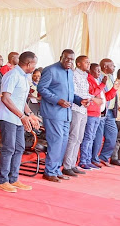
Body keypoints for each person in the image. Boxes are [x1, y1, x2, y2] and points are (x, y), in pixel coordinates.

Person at [37, 49, 88, 182]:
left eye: (71, 59)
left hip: (66, 113)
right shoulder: (50, 70)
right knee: (56, 141)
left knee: (63, 142)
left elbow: (69, 93)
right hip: (53, 112)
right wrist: (57, 100)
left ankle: (56, 170)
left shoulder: (70, 72)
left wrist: (79, 100)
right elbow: (41, 88)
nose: (69, 62)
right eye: (66, 59)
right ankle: (49, 171)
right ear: (61, 57)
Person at [0, 51, 40, 193]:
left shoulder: (24, 76)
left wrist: (30, 114)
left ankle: (14, 178)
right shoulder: (12, 75)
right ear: (28, 63)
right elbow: (5, 98)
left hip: (19, 118)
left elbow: (20, 100)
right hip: (8, 117)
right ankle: (3, 180)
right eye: (34, 64)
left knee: (19, 147)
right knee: (9, 148)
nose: (35, 67)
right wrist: (22, 116)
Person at [79, 63, 119, 169]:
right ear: (91, 71)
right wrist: (103, 84)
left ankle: (88, 160)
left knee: (92, 138)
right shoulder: (89, 79)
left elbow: (105, 97)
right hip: (91, 112)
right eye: (97, 71)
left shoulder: (97, 81)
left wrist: (114, 89)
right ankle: (83, 161)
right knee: (88, 137)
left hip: (99, 113)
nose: (99, 73)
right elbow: (92, 93)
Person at [62, 55, 97, 176]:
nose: (88, 64)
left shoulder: (85, 76)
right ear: (78, 64)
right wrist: (86, 99)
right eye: (86, 62)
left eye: (89, 62)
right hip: (76, 108)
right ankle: (67, 166)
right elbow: (73, 92)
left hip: (83, 110)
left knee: (79, 138)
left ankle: (73, 164)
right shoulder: (73, 74)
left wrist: (92, 98)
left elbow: (85, 92)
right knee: (73, 137)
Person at [93, 59, 120, 166]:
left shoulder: (111, 77)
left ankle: (104, 157)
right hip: (101, 111)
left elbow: (109, 95)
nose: (114, 67)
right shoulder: (99, 77)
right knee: (98, 137)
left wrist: (115, 88)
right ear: (105, 66)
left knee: (113, 135)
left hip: (111, 112)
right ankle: (94, 158)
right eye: (112, 66)